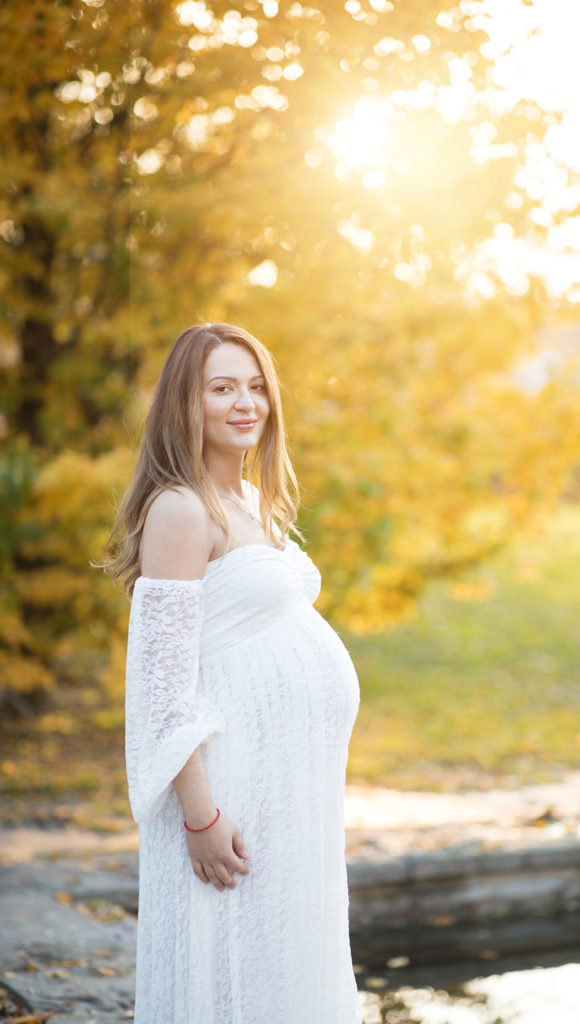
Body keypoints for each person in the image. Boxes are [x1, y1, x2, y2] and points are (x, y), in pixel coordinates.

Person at [105, 323, 361, 1023]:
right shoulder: (180, 510)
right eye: (222, 388)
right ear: (186, 403)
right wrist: (201, 815)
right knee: (229, 973)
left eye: (255, 387)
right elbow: (161, 686)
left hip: (288, 792)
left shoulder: (249, 502)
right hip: (227, 795)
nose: (245, 403)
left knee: (279, 970)